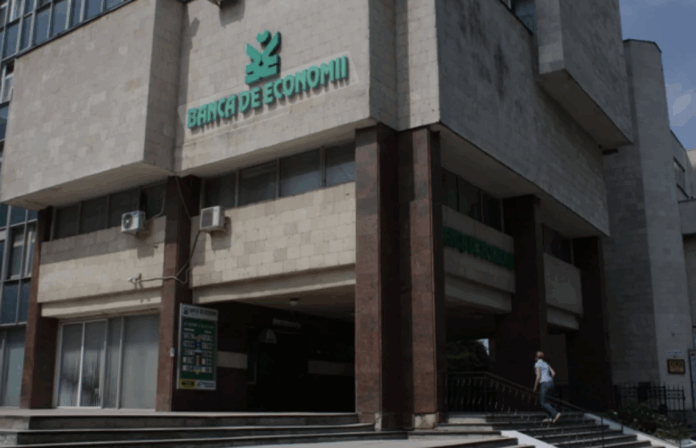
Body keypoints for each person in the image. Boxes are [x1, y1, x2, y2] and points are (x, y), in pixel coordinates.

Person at [533, 351, 561, 423]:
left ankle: (556, 414)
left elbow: (538, 377)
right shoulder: (546, 364)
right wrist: (549, 379)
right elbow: (553, 373)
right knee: (547, 401)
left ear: (536, 357)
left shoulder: (537, 364)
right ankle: (550, 417)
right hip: (551, 383)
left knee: (543, 402)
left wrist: (535, 387)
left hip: (544, 383)